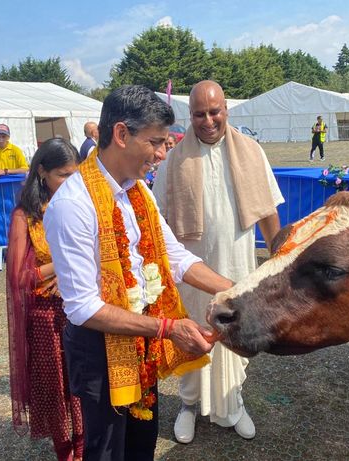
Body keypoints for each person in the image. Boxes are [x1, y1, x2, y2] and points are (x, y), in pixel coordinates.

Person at [44, 84, 233, 461]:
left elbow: (174, 258)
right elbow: (82, 307)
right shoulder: (73, 205)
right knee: (107, 451)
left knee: (142, 443)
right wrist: (168, 329)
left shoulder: (138, 192)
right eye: (155, 142)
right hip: (100, 350)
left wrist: (237, 291)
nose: (163, 153)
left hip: (141, 338)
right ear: (121, 134)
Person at [152, 80, 284, 444]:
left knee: (235, 337)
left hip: (238, 268)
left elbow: (268, 211)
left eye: (215, 112)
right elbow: (158, 219)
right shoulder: (173, 160)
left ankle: (232, 403)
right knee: (193, 335)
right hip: (193, 274)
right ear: (190, 116)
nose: (208, 121)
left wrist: (278, 257)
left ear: (226, 110)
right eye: (199, 114)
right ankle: (188, 405)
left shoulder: (252, 151)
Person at [7, 138, 84, 461]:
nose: (71, 182)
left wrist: (71, 275)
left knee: (83, 385)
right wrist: (62, 265)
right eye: (63, 175)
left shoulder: (79, 205)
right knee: (55, 390)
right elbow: (19, 278)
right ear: (42, 172)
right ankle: (65, 451)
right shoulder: (25, 216)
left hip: (80, 308)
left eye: (75, 174)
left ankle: (84, 447)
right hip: (45, 319)